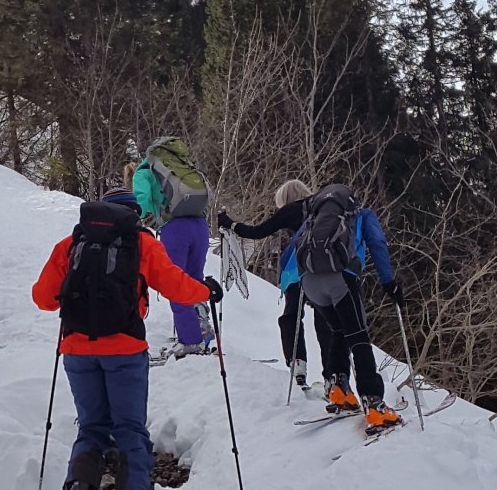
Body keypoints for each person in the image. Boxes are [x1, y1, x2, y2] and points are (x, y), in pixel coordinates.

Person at [32, 186, 222, 490]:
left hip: (76, 350)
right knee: (130, 430)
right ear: (133, 213)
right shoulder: (141, 242)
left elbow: (42, 298)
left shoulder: (72, 244)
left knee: (91, 428)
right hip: (125, 350)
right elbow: (174, 285)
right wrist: (205, 291)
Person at [218, 181, 404, 430]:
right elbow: (378, 244)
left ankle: (339, 390)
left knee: (338, 331)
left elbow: (294, 245)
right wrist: (389, 282)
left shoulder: (312, 217)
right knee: (358, 336)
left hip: (310, 281)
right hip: (341, 278)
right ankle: (374, 404)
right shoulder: (362, 214)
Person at [216, 178, 331, 388]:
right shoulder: (322, 209)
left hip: (297, 269)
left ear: (285, 199)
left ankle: (298, 365)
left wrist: (230, 224)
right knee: (325, 321)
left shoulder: (291, 210)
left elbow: (257, 232)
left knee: (291, 316)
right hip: (326, 269)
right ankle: (333, 376)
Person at [129, 141, 212, 356]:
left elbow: (141, 202)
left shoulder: (144, 171)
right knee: (194, 281)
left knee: (175, 283)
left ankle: (190, 341)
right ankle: (201, 330)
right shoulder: (182, 167)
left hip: (175, 228)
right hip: (200, 226)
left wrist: (133, 218)